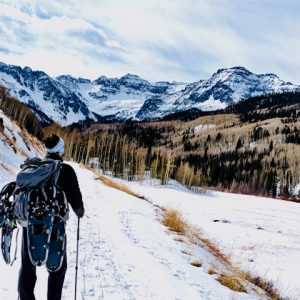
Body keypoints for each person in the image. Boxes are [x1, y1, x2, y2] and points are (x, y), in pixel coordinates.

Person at [18, 134, 85, 300]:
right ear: (61, 150)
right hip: (55, 226)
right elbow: (77, 202)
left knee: (27, 267)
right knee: (57, 269)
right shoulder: (66, 170)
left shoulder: (35, 168)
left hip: (30, 224)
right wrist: (79, 211)